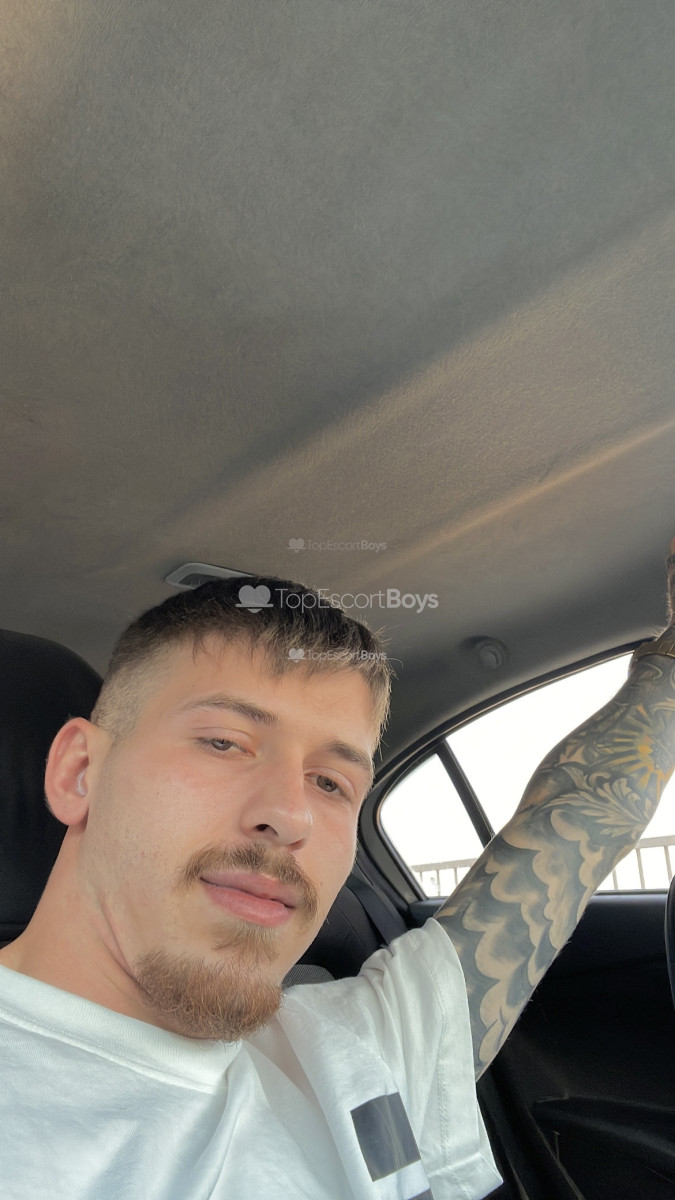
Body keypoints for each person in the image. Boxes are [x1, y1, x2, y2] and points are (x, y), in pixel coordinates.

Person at [1, 549, 675, 1200]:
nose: (291, 814)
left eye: (330, 782)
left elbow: (579, 817)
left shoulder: (361, 1049)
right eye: (224, 743)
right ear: (80, 773)